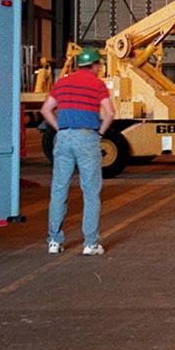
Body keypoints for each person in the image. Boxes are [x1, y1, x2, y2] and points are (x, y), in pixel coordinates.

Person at [41, 46, 115, 256]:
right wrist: (99, 133)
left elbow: (46, 109)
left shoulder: (62, 82)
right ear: (93, 65)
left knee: (59, 190)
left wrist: (60, 129)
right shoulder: (97, 84)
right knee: (91, 193)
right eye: (99, 64)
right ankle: (90, 244)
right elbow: (110, 113)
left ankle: (54, 241)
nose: (100, 68)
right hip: (87, 137)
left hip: (63, 138)